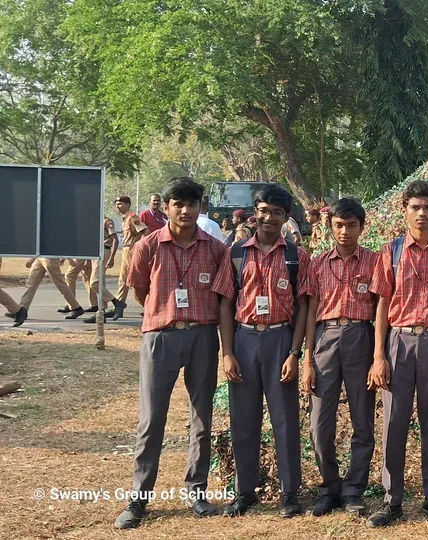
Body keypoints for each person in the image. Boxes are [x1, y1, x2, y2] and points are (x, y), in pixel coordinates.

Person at [113, 177, 227, 529]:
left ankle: (197, 490)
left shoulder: (216, 248)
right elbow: (140, 291)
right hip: (160, 337)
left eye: (192, 203)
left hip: (203, 336)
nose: (185, 210)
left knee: (202, 418)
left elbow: (224, 297)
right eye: (178, 203)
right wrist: (164, 315)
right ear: (166, 207)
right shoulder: (148, 246)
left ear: (199, 207)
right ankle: (139, 498)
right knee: (151, 420)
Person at [212, 184, 313, 519]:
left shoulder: (296, 256)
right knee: (244, 418)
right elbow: (225, 305)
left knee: (284, 419)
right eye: (264, 210)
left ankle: (289, 492)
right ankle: (245, 491)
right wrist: (227, 353)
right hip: (244, 339)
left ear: (286, 218)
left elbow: (302, 308)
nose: (269, 218)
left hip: (280, 340)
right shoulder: (237, 252)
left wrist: (294, 353)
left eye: (277, 213)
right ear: (256, 212)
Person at [366, 181, 428, 527]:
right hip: (399, 342)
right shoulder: (390, 251)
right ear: (404, 210)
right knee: (394, 422)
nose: (422, 213)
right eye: (415, 207)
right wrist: (379, 356)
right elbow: (382, 305)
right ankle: (392, 500)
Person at [301, 198, 379, 518]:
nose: (344, 232)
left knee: (363, 420)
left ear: (362, 227)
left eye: (351, 225)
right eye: (338, 225)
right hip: (325, 339)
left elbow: (383, 309)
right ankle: (330, 486)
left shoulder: (375, 262)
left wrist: (378, 356)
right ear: (329, 226)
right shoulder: (317, 264)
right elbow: (309, 313)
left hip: (362, 337)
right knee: (320, 424)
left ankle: (354, 489)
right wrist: (307, 359)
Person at [13, 256, 85, 325]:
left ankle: (76, 307)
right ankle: (22, 310)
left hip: (50, 258)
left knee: (60, 284)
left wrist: (69, 258)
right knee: (31, 284)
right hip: (40, 257)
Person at [115, 195, 148, 314]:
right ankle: (119, 305)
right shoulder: (124, 218)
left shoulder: (133, 217)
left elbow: (145, 232)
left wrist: (140, 247)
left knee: (136, 279)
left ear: (127, 205)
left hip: (132, 250)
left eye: (120, 204)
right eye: (116, 204)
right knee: (123, 279)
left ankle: (149, 305)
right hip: (125, 250)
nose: (117, 206)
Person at [83, 218, 120, 324]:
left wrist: (112, 257)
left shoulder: (106, 221)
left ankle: (116, 302)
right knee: (100, 284)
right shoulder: (92, 221)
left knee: (95, 283)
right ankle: (101, 312)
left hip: (104, 251)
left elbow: (115, 240)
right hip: (95, 252)